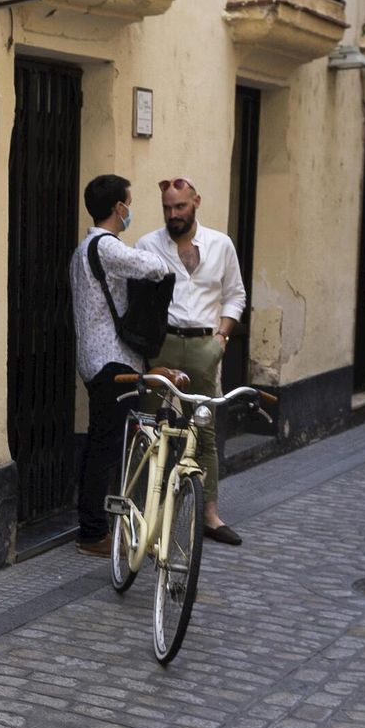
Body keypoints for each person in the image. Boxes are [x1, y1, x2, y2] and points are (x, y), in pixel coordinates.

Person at [136, 177, 248, 546]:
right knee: (149, 425)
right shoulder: (148, 245)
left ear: (196, 202)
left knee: (204, 430)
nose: (173, 214)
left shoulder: (220, 244)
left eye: (180, 207)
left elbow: (235, 295)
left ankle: (210, 515)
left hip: (204, 344)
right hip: (163, 345)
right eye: (167, 208)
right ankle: (142, 511)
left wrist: (221, 338)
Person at [72, 175, 178, 556]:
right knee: (106, 447)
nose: (131, 208)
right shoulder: (105, 247)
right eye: (129, 202)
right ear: (119, 208)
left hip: (97, 360)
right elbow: (154, 267)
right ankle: (93, 531)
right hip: (112, 362)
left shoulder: (84, 248)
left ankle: (94, 525)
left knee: (100, 443)